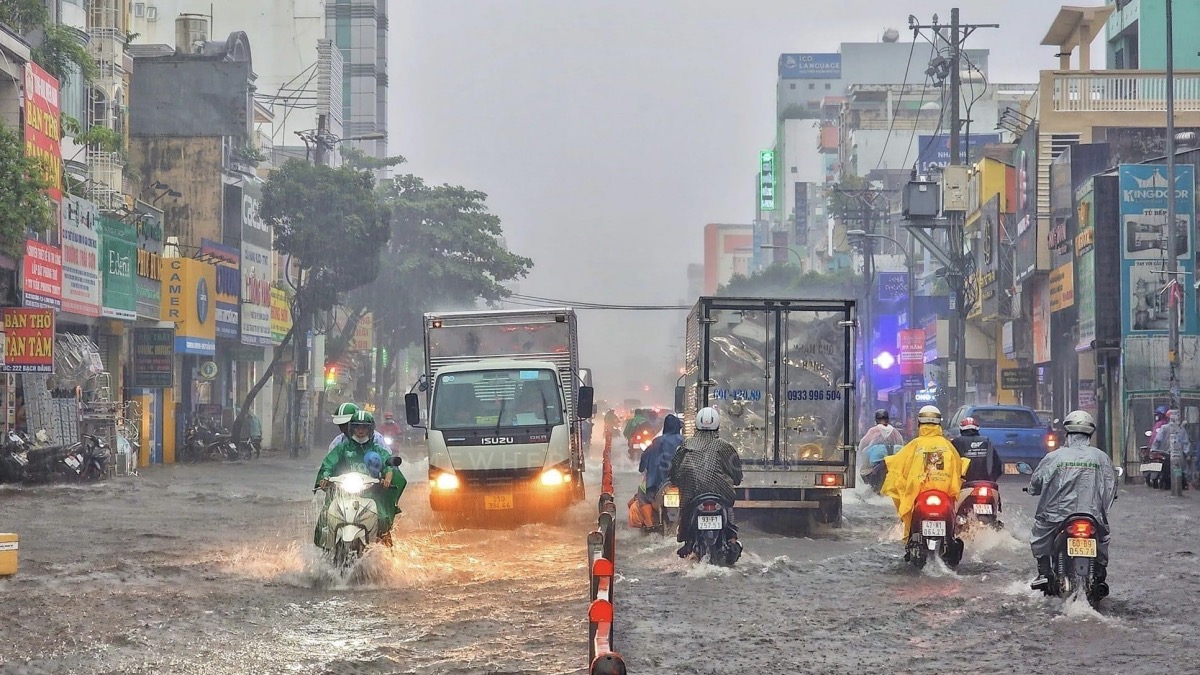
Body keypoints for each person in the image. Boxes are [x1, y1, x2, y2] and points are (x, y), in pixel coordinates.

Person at [1028, 410, 1117, 593]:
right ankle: (1099, 573)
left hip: (1056, 517)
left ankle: (1044, 572)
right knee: (1103, 538)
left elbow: (1036, 482)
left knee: (1040, 533)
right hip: (1092, 515)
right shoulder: (1101, 457)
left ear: (1067, 432)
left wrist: (1033, 490)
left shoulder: (1055, 457)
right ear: (1090, 433)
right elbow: (1111, 486)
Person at [881, 405, 969, 562]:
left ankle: (911, 544)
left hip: (920, 495)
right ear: (939, 424)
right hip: (943, 496)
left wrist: (885, 463)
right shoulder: (947, 445)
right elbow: (958, 466)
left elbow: (898, 465)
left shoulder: (915, 445)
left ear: (919, 424)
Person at [313, 410, 407, 548]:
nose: (361, 430)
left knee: (382, 518)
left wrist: (387, 478)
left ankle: (383, 548)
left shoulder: (377, 449)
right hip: (344, 492)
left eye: (364, 427)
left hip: (371, 493)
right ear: (352, 428)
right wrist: (325, 477)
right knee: (326, 515)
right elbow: (329, 463)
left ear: (370, 429)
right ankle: (324, 550)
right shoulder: (343, 447)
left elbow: (388, 465)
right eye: (357, 427)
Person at [669, 407, 743, 561]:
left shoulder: (686, 445)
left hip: (692, 492)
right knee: (728, 507)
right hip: (720, 492)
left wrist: (675, 481)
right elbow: (736, 471)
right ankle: (732, 539)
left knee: (685, 510)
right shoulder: (724, 446)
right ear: (717, 425)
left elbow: (674, 470)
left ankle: (685, 540)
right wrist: (735, 480)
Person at [858, 409, 906, 490]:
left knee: (864, 470)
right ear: (887, 419)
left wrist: (862, 452)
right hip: (893, 458)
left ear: (876, 420)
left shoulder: (874, 430)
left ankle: (870, 486)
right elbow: (900, 443)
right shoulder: (894, 431)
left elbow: (863, 444)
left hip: (876, 458)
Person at [1150, 406, 1191, 489]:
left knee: (1166, 470)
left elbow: (1157, 440)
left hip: (1165, 454)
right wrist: (1187, 454)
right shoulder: (1181, 429)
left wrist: (1153, 450)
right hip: (1178, 455)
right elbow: (1186, 443)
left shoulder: (1164, 428)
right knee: (1181, 471)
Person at [953, 417, 1003, 484]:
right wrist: (991, 480)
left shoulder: (956, 442)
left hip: (963, 483)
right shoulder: (986, 441)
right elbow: (997, 464)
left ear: (961, 430)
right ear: (977, 429)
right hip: (986, 483)